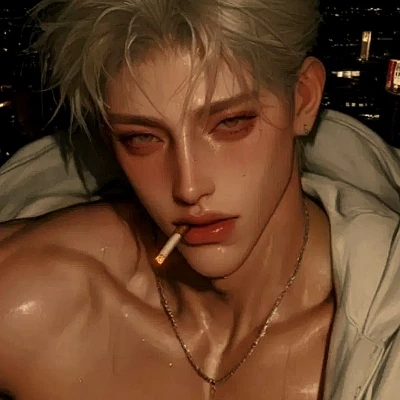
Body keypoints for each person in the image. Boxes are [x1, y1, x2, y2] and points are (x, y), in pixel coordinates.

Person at [1, 0, 400, 399]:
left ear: (303, 98)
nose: (188, 187)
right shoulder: (34, 300)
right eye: (142, 138)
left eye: (231, 123)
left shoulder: (384, 333)